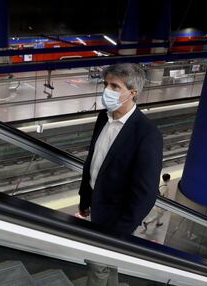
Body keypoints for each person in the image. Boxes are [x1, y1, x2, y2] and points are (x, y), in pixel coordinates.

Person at [75, 63, 163, 286]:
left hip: (116, 220)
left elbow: (145, 193)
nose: (107, 90)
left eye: (115, 86)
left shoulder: (147, 134)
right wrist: (85, 198)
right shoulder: (103, 117)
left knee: (97, 268)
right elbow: (94, 161)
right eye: (106, 84)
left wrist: (120, 232)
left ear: (132, 93)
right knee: (107, 265)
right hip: (96, 205)